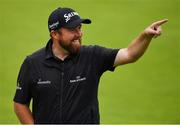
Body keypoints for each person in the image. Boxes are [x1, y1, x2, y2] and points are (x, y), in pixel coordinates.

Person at [13, 7, 168, 124]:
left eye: (80, 28)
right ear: (54, 34)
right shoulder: (33, 63)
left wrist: (145, 36)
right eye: (72, 30)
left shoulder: (92, 56)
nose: (79, 34)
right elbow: (20, 103)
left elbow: (129, 54)